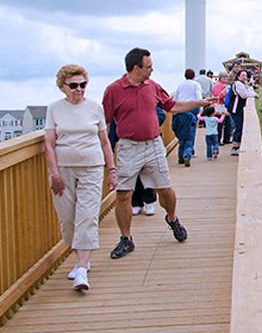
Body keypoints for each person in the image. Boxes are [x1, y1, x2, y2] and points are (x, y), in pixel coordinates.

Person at [102, 48, 213, 260]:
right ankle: (126, 239)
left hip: (153, 144)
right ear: (136, 68)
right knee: (123, 194)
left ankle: (172, 219)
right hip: (128, 146)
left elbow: (171, 105)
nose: (152, 70)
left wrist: (199, 103)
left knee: (165, 189)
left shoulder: (152, 87)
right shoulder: (113, 91)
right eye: (149, 66)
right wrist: (106, 157)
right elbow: (105, 124)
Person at [44, 64, 117, 291]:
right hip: (64, 168)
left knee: (87, 215)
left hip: (92, 166)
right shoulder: (54, 109)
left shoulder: (95, 107)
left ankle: (82, 269)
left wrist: (111, 170)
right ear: (63, 87)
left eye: (82, 85)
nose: (79, 89)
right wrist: (54, 173)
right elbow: (49, 142)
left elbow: (105, 141)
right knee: (68, 218)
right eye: (73, 85)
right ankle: (80, 262)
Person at [172, 69, 202, 167]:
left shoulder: (180, 85)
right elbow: (198, 96)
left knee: (182, 136)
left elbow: (175, 97)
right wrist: (201, 108)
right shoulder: (195, 84)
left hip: (180, 110)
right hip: (192, 109)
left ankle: (180, 157)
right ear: (194, 76)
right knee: (190, 134)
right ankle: (188, 154)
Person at [229, 69, 259, 156]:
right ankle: (235, 147)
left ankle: (236, 146)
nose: (244, 77)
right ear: (238, 77)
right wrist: (255, 95)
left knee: (239, 127)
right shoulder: (238, 84)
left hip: (238, 109)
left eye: (245, 75)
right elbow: (244, 94)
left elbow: (246, 91)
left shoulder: (241, 84)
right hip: (237, 109)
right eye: (242, 75)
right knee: (238, 128)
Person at [211, 72, 232, 145]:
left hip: (224, 106)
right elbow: (217, 95)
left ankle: (226, 138)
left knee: (228, 123)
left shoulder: (226, 85)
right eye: (223, 76)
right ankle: (218, 140)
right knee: (220, 124)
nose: (225, 78)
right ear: (220, 77)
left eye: (226, 76)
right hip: (218, 106)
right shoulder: (218, 85)